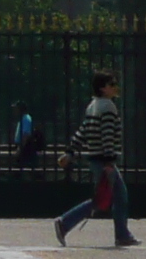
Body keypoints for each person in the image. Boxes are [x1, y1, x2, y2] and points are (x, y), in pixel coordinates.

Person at [54, 70, 138, 248]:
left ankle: (122, 234)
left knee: (116, 196)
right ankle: (65, 222)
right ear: (103, 88)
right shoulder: (108, 107)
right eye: (112, 84)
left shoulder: (93, 105)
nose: (115, 87)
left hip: (95, 158)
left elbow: (83, 132)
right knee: (104, 199)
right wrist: (109, 161)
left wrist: (70, 152)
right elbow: (107, 135)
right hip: (103, 159)